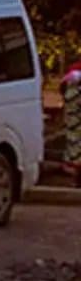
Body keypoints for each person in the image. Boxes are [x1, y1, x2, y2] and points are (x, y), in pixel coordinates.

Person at [62, 56, 81, 188]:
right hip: (75, 124)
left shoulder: (69, 90)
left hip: (73, 125)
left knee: (75, 152)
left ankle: (77, 179)